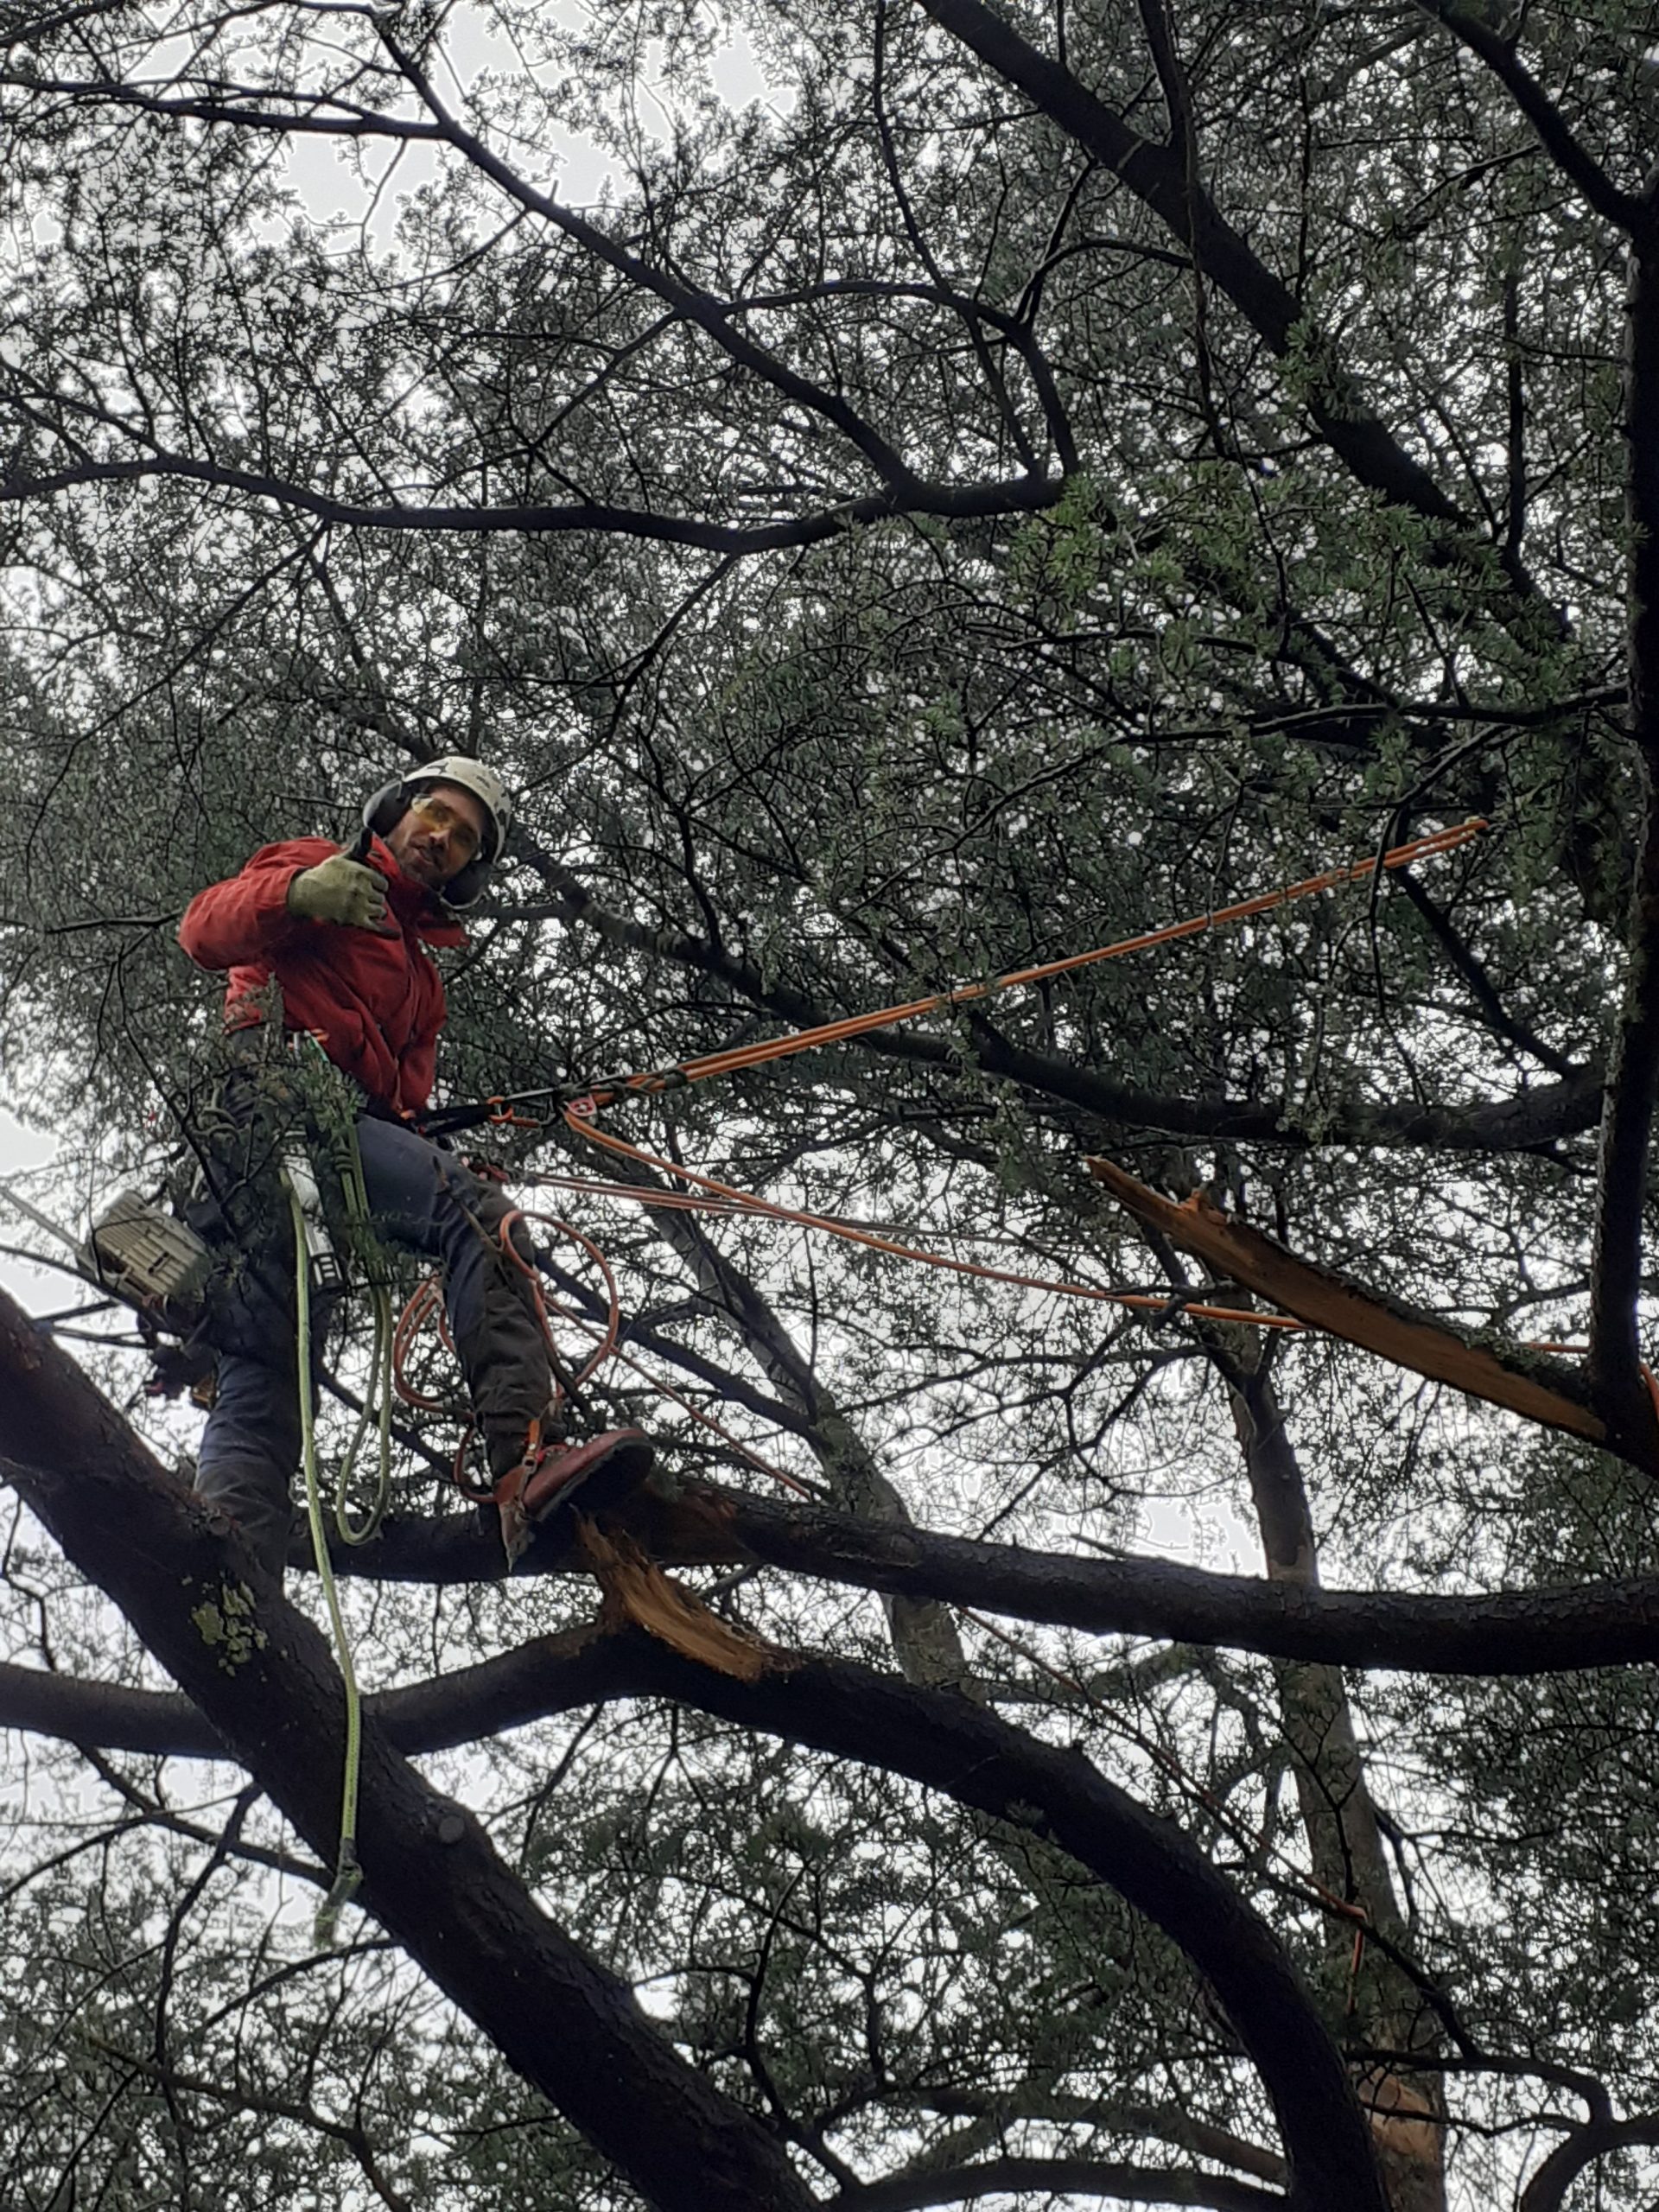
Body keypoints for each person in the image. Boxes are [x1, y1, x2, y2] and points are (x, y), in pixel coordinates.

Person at [177, 754, 651, 1578]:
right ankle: (522, 1465)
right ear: (395, 809)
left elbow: (399, 1105)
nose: (443, 838)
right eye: (436, 815)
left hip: (316, 1158)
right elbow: (203, 931)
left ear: (470, 869)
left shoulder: (423, 987)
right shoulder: (313, 867)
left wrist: (426, 1149)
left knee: (268, 1369)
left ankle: (234, 1593)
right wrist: (301, 895)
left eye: (465, 839)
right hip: (269, 1114)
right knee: (480, 1217)